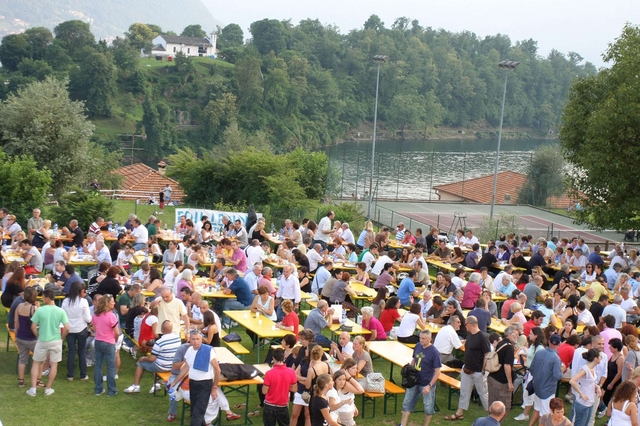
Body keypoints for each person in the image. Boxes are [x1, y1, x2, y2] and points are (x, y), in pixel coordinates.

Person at [25, 289, 70, 397]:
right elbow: (67, 328)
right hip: (56, 341)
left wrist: (37, 335)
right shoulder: (60, 311)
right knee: (54, 365)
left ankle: (33, 389)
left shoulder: (40, 310)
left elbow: (33, 327)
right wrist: (62, 338)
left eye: (43, 298)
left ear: (47, 298)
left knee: (36, 363)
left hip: (42, 340)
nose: (42, 299)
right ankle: (48, 389)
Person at [444, 316, 490, 420]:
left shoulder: (483, 337)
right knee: (464, 392)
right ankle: (459, 413)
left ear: (470, 324)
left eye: (465, 324)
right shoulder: (470, 335)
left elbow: (487, 354)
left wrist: (483, 370)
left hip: (478, 371)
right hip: (467, 369)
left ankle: (491, 415)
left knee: (483, 394)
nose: (465, 326)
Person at [124, 320, 181, 394]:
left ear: (162, 329)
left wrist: (143, 358)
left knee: (140, 363)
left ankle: (136, 386)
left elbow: (151, 358)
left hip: (162, 366)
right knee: (155, 362)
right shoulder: (178, 339)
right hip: (173, 366)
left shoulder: (159, 342)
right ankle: (156, 384)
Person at [399, 330, 441, 426]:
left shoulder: (434, 352)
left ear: (430, 339)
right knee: (407, 403)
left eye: (423, 338)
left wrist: (429, 385)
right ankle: (403, 424)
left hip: (426, 382)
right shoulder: (418, 346)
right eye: (420, 338)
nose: (421, 340)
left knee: (428, 407)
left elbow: (438, 371)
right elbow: (415, 359)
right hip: (414, 380)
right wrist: (410, 370)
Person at [184, 329, 221, 426]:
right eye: (193, 339)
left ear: (201, 339)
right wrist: (175, 382)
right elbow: (186, 367)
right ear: (190, 340)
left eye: (198, 339)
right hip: (193, 383)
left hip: (205, 384)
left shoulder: (208, 351)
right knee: (195, 411)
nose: (196, 341)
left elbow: (217, 370)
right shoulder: (189, 350)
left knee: (198, 413)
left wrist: (214, 388)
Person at [528, 334, 564, 426]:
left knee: (537, 409)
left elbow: (531, 369)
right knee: (545, 416)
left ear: (548, 341)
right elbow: (557, 376)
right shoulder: (556, 358)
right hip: (547, 391)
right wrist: (562, 369)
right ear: (559, 344)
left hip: (537, 387)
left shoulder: (539, 352)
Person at [61, 281, 91, 381]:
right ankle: (83, 374)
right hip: (81, 329)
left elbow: (62, 315)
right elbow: (87, 318)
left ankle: (70, 375)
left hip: (69, 329)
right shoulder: (83, 302)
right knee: (82, 351)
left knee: (71, 351)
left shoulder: (65, 301)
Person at [91, 294, 120, 396]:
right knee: (111, 367)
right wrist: (115, 340)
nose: (114, 303)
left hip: (98, 341)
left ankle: (98, 389)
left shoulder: (95, 315)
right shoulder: (111, 316)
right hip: (109, 342)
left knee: (98, 366)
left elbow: (94, 329)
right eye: (112, 301)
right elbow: (117, 332)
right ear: (107, 303)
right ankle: (111, 390)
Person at [262, 348, 298, 426]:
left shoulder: (269, 373)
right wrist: (285, 386)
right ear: (284, 357)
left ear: (273, 358)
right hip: (283, 405)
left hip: (269, 405)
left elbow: (264, 391)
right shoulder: (291, 372)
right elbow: (294, 389)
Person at [488, 325, 518, 416]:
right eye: (516, 334)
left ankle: (490, 421)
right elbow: (507, 366)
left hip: (492, 377)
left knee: (492, 406)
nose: (518, 336)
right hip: (501, 382)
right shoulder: (509, 347)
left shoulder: (500, 343)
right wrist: (510, 383)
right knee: (504, 408)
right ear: (510, 334)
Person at [569, 348, 602, 426]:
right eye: (600, 356)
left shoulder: (592, 369)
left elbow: (590, 382)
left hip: (590, 401)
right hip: (582, 403)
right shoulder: (585, 370)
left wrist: (597, 387)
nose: (601, 358)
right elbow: (572, 381)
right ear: (595, 358)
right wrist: (581, 394)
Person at [14, 287, 39, 388]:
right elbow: (38, 322)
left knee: (22, 359)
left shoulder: (19, 306)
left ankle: (21, 381)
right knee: (38, 360)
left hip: (20, 337)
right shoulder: (34, 308)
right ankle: (37, 380)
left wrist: (17, 333)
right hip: (32, 338)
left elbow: (16, 321)